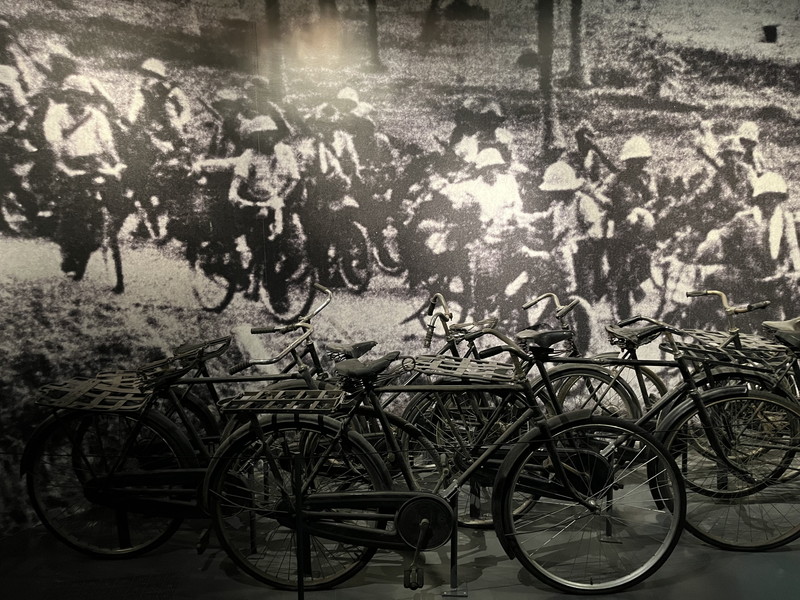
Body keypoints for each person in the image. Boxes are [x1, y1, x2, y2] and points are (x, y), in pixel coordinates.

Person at [193, 115, 302, 300]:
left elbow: (294, 179)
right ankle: (269, 288)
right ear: (254, 139)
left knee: (296, 251)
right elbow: (235, 183)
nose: (267, 139)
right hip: (256, 206)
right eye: (261, 136)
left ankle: (272, 280)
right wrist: (236, 197)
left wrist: (280, 199)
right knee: (262, 249)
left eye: (270, 134)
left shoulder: (285, 152)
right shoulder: (250, 156)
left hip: (280, 206)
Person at [696, 171, 800, 317]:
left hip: (775, 282)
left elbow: (792, 246)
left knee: (778, 319)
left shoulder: (784, 219)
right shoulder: (744, 220)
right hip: (748, 280)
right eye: (766, 197)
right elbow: (721, 236)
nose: (770, 201)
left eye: (775, 197)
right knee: (743, 318)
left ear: (780, 199)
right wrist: (710, 244)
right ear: (759, 199)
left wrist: (797, 269)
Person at [522, 160, 606, 304]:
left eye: (557, 191)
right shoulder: (558, 205)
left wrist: (579, 241)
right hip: (561, 254)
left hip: (581, 254)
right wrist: (523, 218)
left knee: (583, 292)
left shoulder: (582, 202)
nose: (554, 195)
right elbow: (544, 217)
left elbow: (596, 230)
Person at [599, 135, 657, 318]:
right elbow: (601, 195)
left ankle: (633, 283)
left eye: (641, 161)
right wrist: (610, 205)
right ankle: (624, 313)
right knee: (619, 269)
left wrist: (642, 209)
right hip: (619, 228)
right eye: (634, 161)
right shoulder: (615, 178)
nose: (638, 165)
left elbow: (654, 198)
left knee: (643, 264)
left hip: (641, 229)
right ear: (627, 161)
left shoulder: (647, 178)